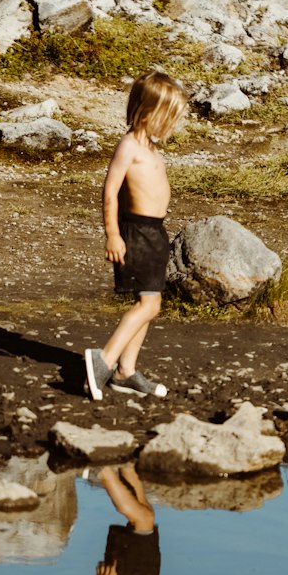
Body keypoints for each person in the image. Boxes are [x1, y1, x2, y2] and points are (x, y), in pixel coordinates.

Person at [84, 69, 189, 402]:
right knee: (147, 304)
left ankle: (125, 372)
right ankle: (103, 360)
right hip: (137, 232)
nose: (171, 127)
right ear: (146, 113)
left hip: (155, 233)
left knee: (151, 302)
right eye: (167, 119)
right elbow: (110, 192)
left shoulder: (151, 149)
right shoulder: (129, 146)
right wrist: (112, 234)